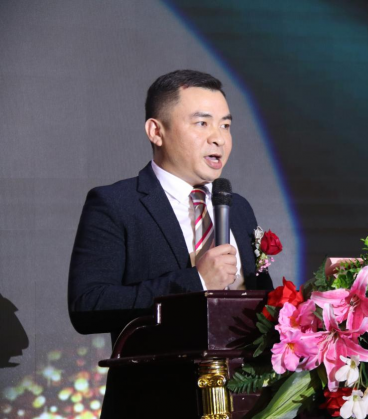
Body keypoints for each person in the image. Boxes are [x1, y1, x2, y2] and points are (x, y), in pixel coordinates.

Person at [68, 69, 272, 418]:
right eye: (202, 123)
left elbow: (262, 307)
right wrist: (197, 281)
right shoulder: (116, 204)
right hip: (155, 402)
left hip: (244, 402)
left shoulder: (237, 208)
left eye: (225, 125)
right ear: (156, 131)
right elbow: (88, 304)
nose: (219, 138)